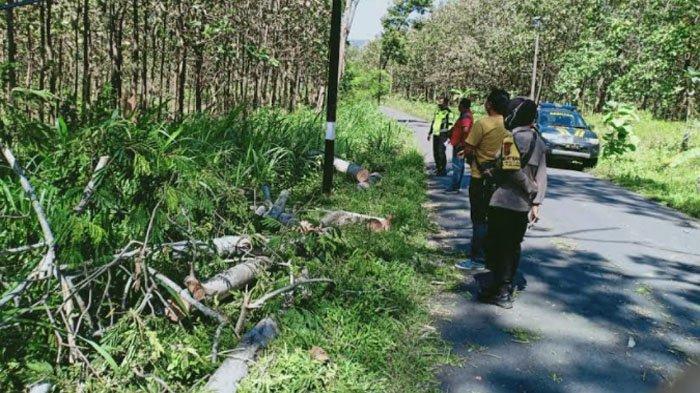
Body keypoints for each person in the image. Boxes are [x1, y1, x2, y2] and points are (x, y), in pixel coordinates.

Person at [480, 97, 548, 309]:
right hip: (522, 206)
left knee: (498, 246)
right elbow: (543, 175)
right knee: (512, 246)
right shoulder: (539, 141)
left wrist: (529, 187)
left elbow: (510, 167)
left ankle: (501, 291)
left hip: (503, 201)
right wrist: (536, 202)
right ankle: (502, 287)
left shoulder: (511, 138)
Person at [454, 89, 510, 271]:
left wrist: (470, 153)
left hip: (480, 178)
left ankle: (477, 258)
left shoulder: (483, 124)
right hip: (500, 180)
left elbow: (469, 148)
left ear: (490, 105)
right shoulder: (509, 125)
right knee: (494, 219)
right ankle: (492, 256)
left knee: (479, 219)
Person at [446, 97, 474, 192]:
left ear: (463, 106)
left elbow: (465, 130)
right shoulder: (464, 115)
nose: (458, 107)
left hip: (460, 145)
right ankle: (455, 185)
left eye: (459, 105)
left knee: (457, 166)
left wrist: (462, 143)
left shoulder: (466, 116)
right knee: (459, 165)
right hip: (459, 143)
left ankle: (455, 186)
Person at [427, 96, 452, 176]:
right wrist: (430, 133)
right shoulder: (437, 111)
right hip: (436, 134)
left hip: (443, 134)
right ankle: (438, 168)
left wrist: (449, 137)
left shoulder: (449, 112)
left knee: (441, 152)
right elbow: (433, 122)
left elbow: (451, 125)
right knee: (435, 152)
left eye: (441, 102)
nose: (439, 103)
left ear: (445, 103)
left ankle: (443, 169)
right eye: (439, 102)